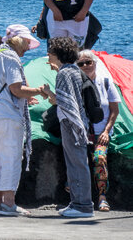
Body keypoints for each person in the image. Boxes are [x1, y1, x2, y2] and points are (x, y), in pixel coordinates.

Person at [0, 25, 48, 217]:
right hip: (9, 115)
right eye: (27, 42)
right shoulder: (10, 57)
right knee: (12, 159)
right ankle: (9, 203)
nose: (28, 47)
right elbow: (16, 89)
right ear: (18, 40)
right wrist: (39, 90)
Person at [43, 37, 93, 218]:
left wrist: (48, 93)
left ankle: (83, 206)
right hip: (79, 123)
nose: (48, 55)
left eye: (50, 51)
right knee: (78, 164)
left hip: (72, 124)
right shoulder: (73, 70)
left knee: (76, 165)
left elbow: (64, 101)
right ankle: (77, 202)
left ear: (58, 53)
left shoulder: (64, 73)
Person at [76, 50, 118, 212]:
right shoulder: (77, 84)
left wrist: (106, 132)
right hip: (82, 133)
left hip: (101, 132)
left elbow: (114, 110)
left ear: (95, 63)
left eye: (88, 62)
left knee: (99, 158)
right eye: (81, 64)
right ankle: (77, 197)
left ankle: (102, 197)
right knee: (77, 160)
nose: (85, 66)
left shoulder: (106, 82)